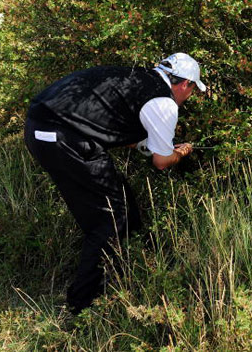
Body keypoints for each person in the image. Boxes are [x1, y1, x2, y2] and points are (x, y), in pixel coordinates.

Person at [23, 52, 206, 314]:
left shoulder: (136, 79)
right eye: (192, 91)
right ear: (185, 84)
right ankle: (82, 305)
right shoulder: (163, 103)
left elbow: (115, 127)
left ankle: (131, 266)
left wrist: (154, 147)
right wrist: (181, 152)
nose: (189, 98)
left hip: (42, 127)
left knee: (119, 198)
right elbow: (162, 162)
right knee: (109, 218)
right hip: (63, 137)